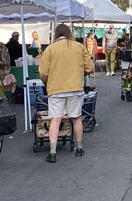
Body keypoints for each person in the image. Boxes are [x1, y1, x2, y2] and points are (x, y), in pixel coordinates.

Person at [39, 23, 94, 162]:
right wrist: (80, 73)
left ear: (56, 35)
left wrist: (48, 82)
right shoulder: (79, 47)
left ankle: (52, 152)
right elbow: (90, 67)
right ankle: (79, 148)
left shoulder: (50, 49)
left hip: (56, 89)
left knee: (55, 119)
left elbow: (43, 72)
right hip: (75, 87)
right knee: (76, 118)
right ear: (69, 33)